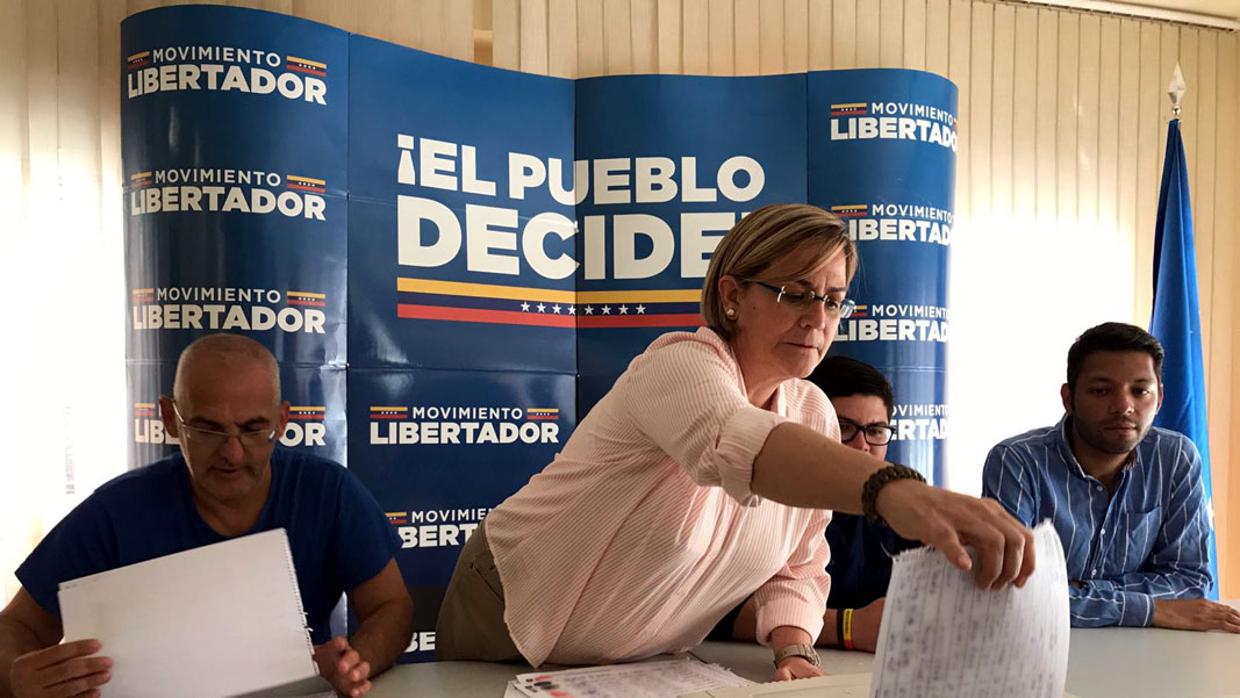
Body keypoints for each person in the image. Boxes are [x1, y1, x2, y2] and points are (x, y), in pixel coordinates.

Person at [436, 203, 1036, 680]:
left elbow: (797, 565)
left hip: (638, 666)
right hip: (510, 606)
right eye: (795, 293)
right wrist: (895, 492)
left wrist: (793, 648)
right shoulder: (681, 363)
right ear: (732, 296)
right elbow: (740, 442)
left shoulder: (813, 412)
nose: (817, 318)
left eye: (832, 300)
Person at [0, 334, 414, 698]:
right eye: (207, 429)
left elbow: (392, 608)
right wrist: (19, 677)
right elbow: (16, 626)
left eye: (254, 429)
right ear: (169, 419)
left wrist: (354, 663)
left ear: (283, 420)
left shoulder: (328, 492)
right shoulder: (115, 512)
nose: (232, 453)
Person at [982, 322, 1240, 632]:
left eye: (1140, 390)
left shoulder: (1175, 458)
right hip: (1045, 651)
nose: (1123, 406)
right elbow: (1012, 593)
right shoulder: (1017, 462)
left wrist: (1075, 592)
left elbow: (1189, 583)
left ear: (1158, 398)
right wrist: (1150, 609)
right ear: (1068, 398)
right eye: (1101, 390)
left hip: (1148, 652)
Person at [709, 356, 919, 652]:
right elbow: (716, 612)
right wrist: (848, 627)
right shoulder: (757, 494)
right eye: (843, 427)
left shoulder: (908, 499)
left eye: (875, 431)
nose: (862, 446)